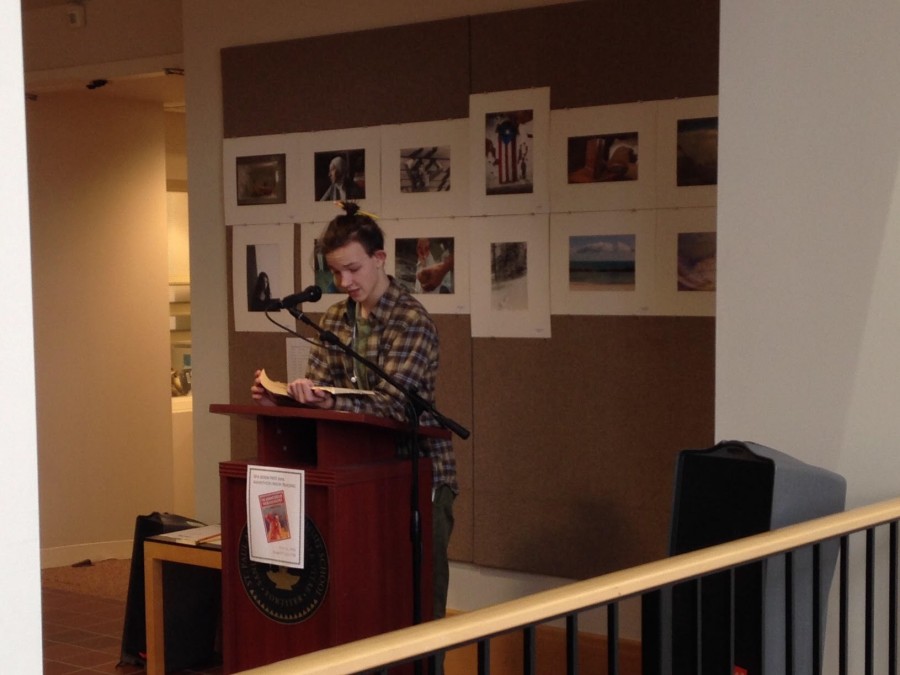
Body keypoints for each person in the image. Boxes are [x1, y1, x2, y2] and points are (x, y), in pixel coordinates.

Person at [251, 202, 457, 628]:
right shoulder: (334, 320)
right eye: (335, 272)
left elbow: (395, 405)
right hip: (357, 475)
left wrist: (329, 401)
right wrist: (285, 403)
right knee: (366, 602)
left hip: (416, 477)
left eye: (353, 269)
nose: (344, 282)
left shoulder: (411, 321)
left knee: (417, 607)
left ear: (379, 259)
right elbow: (324, 392)